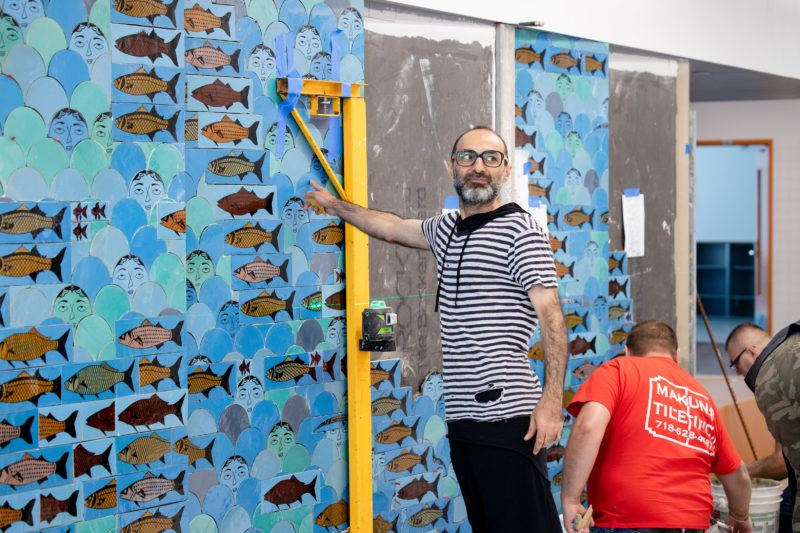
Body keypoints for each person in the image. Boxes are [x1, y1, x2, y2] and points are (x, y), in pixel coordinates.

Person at [306, 125, 568, 532]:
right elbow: (390, 226)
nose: (478, 167)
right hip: (464, 418)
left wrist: (551, 402)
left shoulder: (521, 232)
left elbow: (552, 316)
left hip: (508, 417)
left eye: (491, 158)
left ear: (505, 170)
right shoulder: (447, 230)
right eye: (467, 157)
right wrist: (335, 206)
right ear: (451, 167)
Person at [562, 320, 752, 533]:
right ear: (676, 356)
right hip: (691, 525)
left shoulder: (618, 370)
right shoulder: (702, 397)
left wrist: (571, 499)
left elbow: (587, 426)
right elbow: (739, 476)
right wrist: (740, 517)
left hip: (627, 522)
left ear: (627, 352)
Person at [725, 321, 799, 531]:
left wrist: (735, 474)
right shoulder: (793, 343)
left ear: (751, 352)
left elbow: (781, 463)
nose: (738, 373)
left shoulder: (770, 373)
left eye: (736, 365)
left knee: (786, 513)